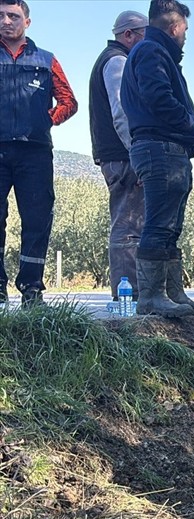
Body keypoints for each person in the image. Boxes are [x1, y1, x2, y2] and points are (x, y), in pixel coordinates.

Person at [121, 0, 194, 317]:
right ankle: (151, 296)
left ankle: (172, 292)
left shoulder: (153, 53)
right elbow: (159, 99)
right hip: (160, 148)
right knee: (159, 224)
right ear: (174, 27)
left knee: (171, 226)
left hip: (166, 148)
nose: (185, 36)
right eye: (185, 29)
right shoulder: (151, 52)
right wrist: (193, 127)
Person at [0, 0, 77, 306]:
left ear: (27, 22)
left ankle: (31, 289)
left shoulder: (46, 60)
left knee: (37, 220)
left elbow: (68, 101)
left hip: (35, 153)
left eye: (13, 16)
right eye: (1, 16)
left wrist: (47, 120)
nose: (6, 21)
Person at [88, 9, 146, 302]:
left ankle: (132, 293)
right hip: (123, 156)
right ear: (129, 35)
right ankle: (128, 296)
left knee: (129, 223)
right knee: (128, 225)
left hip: (117, 154)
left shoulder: (111, 59)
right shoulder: (117, 62)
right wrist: (138, 155)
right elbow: (122, 111)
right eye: (145, 36)